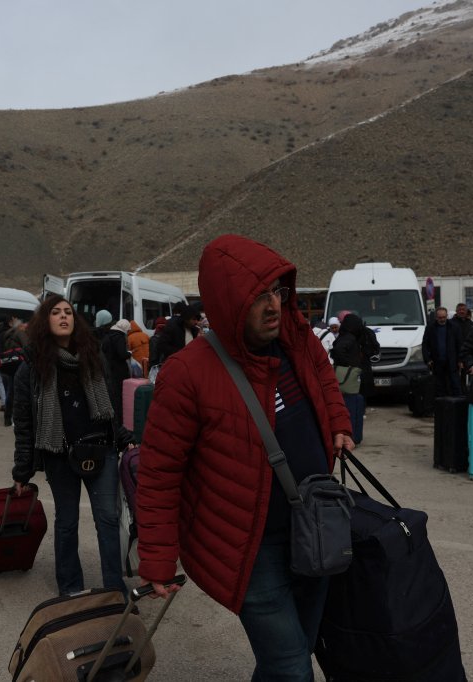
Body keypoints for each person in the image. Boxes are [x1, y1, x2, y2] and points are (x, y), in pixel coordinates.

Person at [134, 234, 354, 680]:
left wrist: (338, 423)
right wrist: (156, 558)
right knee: (292, 666)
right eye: (258, 296)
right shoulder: (187, 373)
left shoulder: (296, 339)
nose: (273, 305)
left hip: (311, 525)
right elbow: (159, 472)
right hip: (248, 545)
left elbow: (323, 377)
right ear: (227, 301)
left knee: (294, 651)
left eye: (277, 291)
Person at [11, 295, 135, 596]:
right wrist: (22, 470)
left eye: (68, 312)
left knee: (107, 519)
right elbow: (24, 422)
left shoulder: (94, 355)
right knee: (66, 522)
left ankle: (114, 590)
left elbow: (110, 406)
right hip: (58, 454)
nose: (64, 317)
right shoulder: (32, 366)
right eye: (56, 312)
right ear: (45, 321)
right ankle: (71, 590)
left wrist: (123, 438)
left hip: (101, 449)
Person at [331, 312, 379, 445]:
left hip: (346, 380)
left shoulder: (344, 336)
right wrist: (351, 365)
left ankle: (352, 435)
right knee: (352, 405)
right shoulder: (349, 338)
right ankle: (352, 436)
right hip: (349, 381)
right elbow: (339, 351)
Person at [422, 307, 463, 397]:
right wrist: (428, 359)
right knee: (439, 386)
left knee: (455, 384)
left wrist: (460, 360)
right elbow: (425, 345)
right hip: (437, 362)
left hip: (452, 361)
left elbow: (460, 344)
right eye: (440, 318)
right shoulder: (430, 328)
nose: (442, 319)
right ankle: (441, 407)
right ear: (436, 317)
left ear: (447, 316)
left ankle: (457, 406)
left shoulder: (454, 327)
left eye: (444, 317)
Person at [100, 319, 133, 424]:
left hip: (109, 369)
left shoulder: (108, 336)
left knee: (112, 393)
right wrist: (130, 353)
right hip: (119, 370)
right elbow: (122, 354)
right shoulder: (119, 337)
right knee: (120, 394)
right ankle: (120, 417)